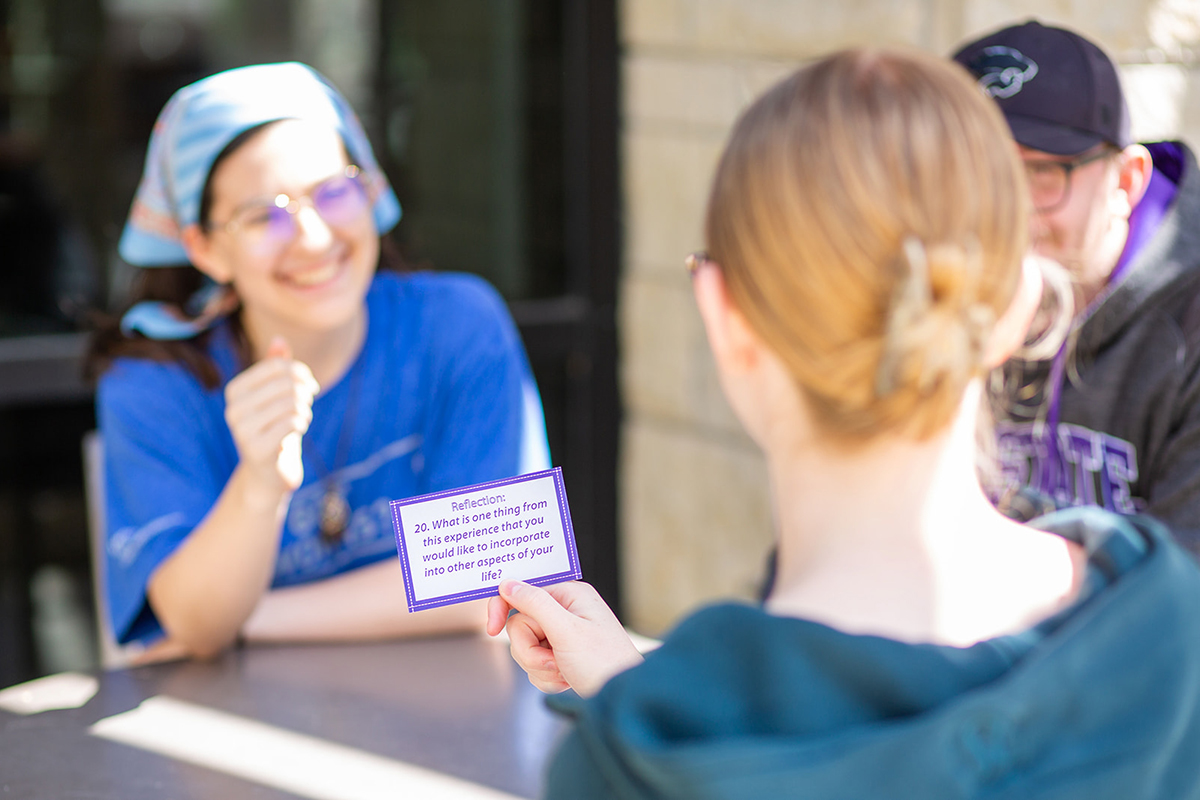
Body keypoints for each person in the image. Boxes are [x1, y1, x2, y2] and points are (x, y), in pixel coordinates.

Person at [486, 49, 1200, 797]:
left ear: (724, 315)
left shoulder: (635, 765)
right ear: (1016, 307)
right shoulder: (1164, 624)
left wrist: (638, 707)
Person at [86, 62, 550, 660]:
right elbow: (196, 623)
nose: (312, 237)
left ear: (371, 191)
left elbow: (490, 585)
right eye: (262, 214)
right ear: (203, 247)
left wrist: (252, 619)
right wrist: (259, 485)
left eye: (334, 190)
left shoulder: (457, 325)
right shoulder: (154, 383)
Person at [953, 21, 1200, 554]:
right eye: (972, 175)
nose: (1003, 217)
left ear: (1125, 182)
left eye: (1040, 174)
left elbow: (1188, 595)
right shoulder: (938, 287)